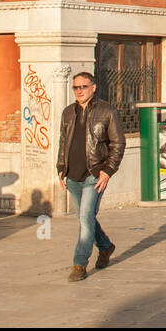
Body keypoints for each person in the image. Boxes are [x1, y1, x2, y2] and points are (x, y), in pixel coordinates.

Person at [56, 70, 125, 282]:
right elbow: (62, 141)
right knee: (85, 218)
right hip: (72, 175)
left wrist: (108, 170)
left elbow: (118, 144)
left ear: (93, 88)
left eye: (83, 87)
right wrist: (60, 167)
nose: (79, 91)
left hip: (94, 174)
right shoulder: (68, 112)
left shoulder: (107, 111)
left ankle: (79, 263)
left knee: (85, 218)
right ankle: (105, 247)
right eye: (76, 87)